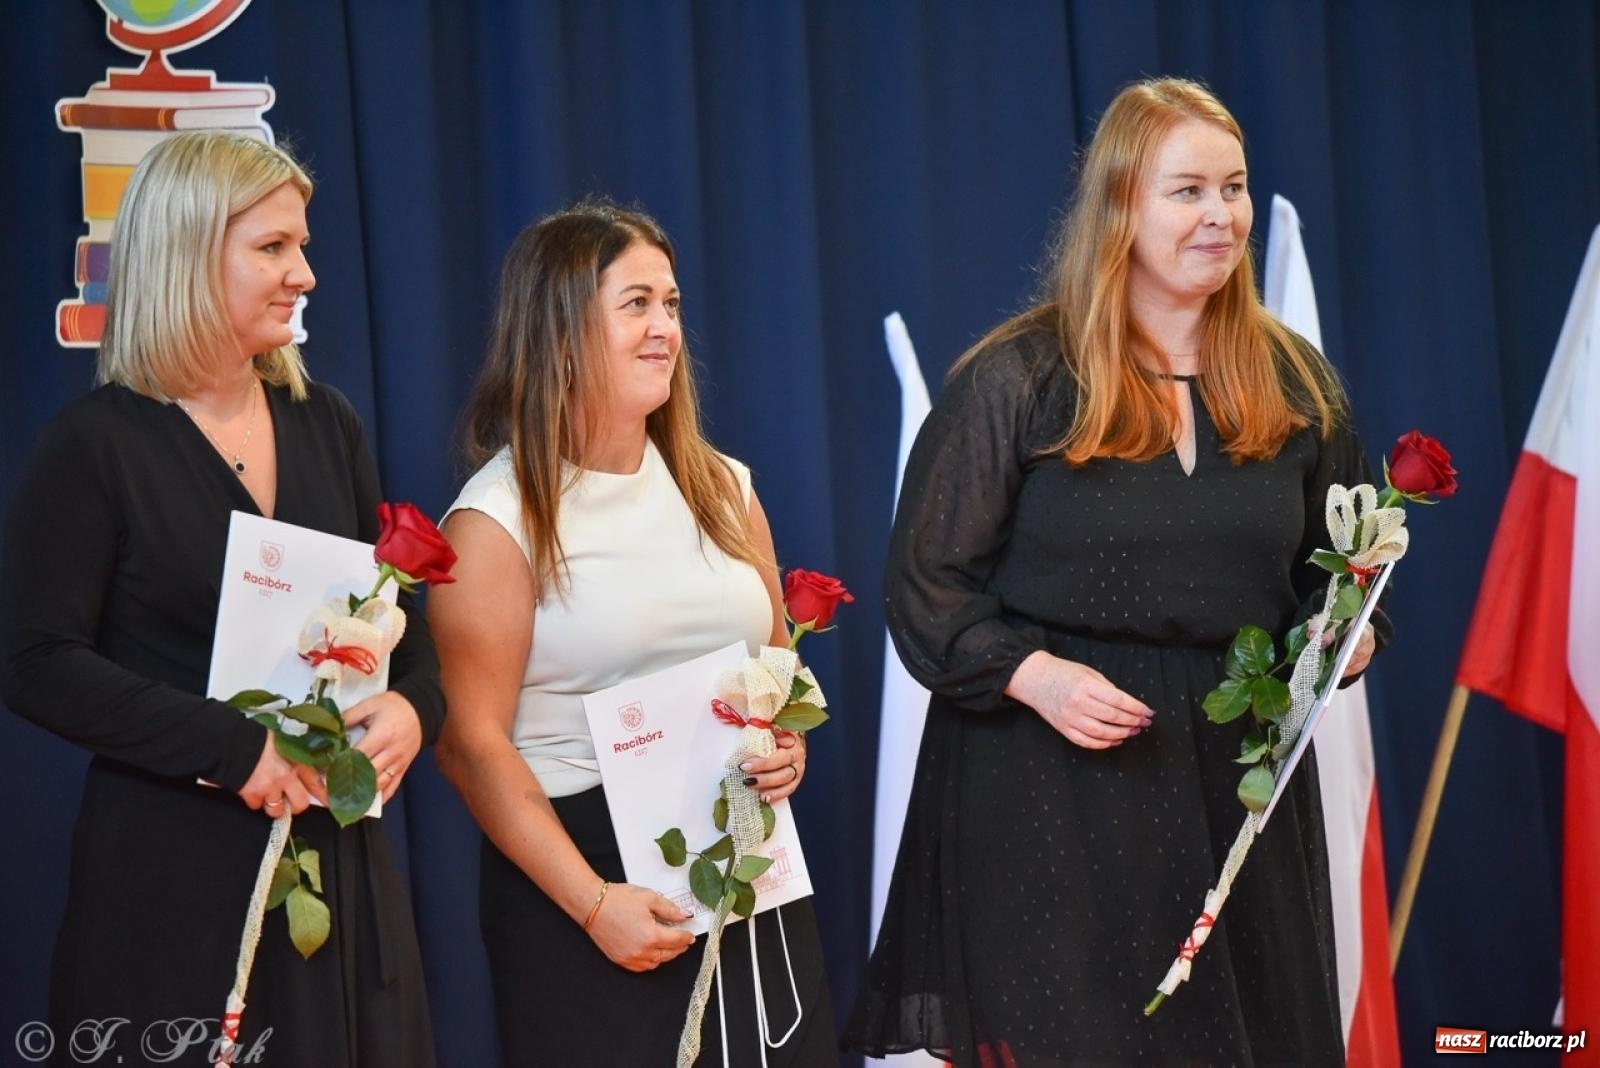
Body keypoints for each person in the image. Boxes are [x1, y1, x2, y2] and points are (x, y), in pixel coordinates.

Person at [845, 77, 1385, 1067]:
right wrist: (1033, 674)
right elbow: (924, 588)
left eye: (1233, 188)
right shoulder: (1018, 380)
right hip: (1049, 791)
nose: (1220, 215)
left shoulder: (1298, 386)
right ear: (1120, 207)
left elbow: (1338, 575)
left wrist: (1342, 639)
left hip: (1234, 784)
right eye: (1186, 191)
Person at [1, 131, 442, 1066]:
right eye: (274, 248)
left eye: (304, 246)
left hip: (334, 877)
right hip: (170, 885)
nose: (306, 274)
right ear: (189, 254)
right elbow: (34, 661)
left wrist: (413, 705)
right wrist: (235, 748)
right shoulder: (95, 447)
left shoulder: (327, 423)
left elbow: (407, 628)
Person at [429, 199, 837, 1065]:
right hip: (585, 882)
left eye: (673, 304)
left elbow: (774, 670)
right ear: (560, 329)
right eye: (637, 304)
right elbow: (471, 746)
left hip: (746, 865)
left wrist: (787, 746)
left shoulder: (725, 487)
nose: (664, 329)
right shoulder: (496, 521)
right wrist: (591, 902)